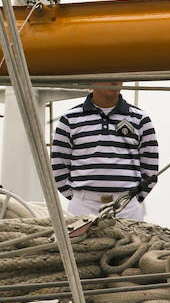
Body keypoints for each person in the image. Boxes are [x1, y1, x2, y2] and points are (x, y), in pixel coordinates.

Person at [51, 82, 158, 221]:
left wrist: (132, 198)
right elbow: (58, 166)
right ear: (92, 78)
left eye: (119, 75)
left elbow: (150, 168)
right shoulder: (69, 119)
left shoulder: (141, 119)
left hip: (127, 207)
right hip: (83, 206)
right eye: (109, 74)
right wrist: (77, 198)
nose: (115, 80)